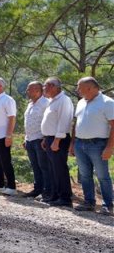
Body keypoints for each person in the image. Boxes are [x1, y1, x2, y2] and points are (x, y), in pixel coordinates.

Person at [70, 76, 114, 215]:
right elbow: (76, 124)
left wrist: (109, 147)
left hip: (98, 144)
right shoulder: (81, 102)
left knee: (102, 176)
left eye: (79, 87)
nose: (77, 90)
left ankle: (108, 205)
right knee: (84, 175)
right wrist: (73, 143)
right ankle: (89, 202)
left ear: (89, 88)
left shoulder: (107, 102)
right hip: (80, 143)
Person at [40, 77, 74, 207]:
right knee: (52, 169)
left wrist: (57, 140)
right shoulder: (52, 101)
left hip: (58, 139)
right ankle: (54, 195)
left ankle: (65, 198)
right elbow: (50, 122)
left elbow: (64, 121)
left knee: (59, 169)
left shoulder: (64, 100)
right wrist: (45, 138)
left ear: (52, 86)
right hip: (50, 138)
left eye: (45, 86)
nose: (44, 89)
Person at [22, 81, 52, 198]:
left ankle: (46, 191)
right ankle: (37, 189)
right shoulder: (30, 104)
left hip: (40, 139)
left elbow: (48, 122)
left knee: (44, 166)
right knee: (35, 166)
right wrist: (26, 138)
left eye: (29, 89)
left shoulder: (46, 103)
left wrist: (45, 138)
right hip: (30, 140)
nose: (27, 91)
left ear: (37, 90)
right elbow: (28, 122)